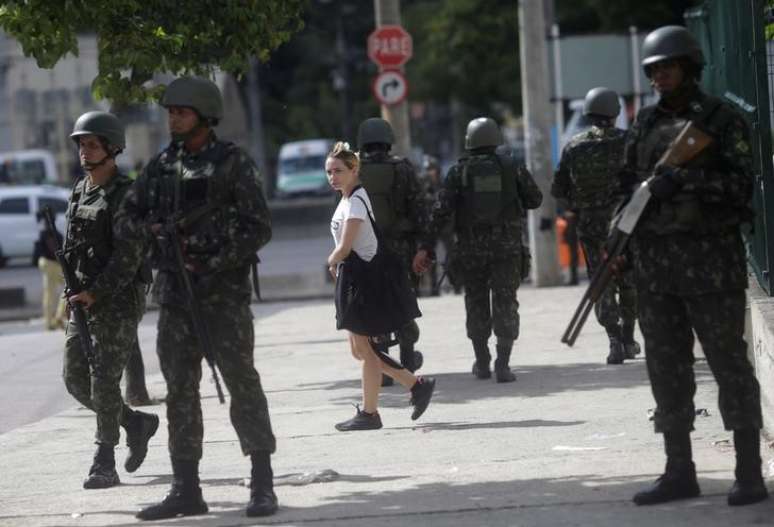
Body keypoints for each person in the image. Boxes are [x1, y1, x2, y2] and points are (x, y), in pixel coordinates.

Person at [620, 26, 768, 506]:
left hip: (710, 267)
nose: (660, 76)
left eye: (668, 67)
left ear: (689, 67)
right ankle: (678, 470)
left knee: (729, 365)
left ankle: (749, 471)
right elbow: (627, 187)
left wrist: (685, 181)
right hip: (656, 270)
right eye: (653, 70)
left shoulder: (721, 120)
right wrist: (618, 239)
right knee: (666, 370)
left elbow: (742, 187)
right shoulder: (643, 124)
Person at [122, 76, 278, 520]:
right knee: (180, 392)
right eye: (170, 112)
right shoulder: (160, 166)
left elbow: (258, 227)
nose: (173, 119)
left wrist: (211, 258)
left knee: (242, 384)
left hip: (222, 297)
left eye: (182, 112)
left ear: (205, 116)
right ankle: (185, 488)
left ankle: (262, 483)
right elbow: (127, 216)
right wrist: (153, 232)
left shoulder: (232, 163)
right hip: (175, 298)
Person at [62, 110, 159, 489]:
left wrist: (96, 292)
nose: (84, 151)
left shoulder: (127, 195)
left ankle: (104, 460)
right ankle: (135, 422)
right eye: (81, 145)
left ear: (112, 148)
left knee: (103, 379)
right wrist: (72, 291)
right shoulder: (79, 190)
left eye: (92, 144)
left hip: (118, 298)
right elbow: (73, 247)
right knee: (74, 379)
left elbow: (128, 258)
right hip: (83, 298)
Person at [413, 117, 542, 383]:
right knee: (505, 301)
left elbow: (440, 212)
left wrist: (426, 246)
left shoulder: (458, 172)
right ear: (496, 139)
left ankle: (482, 362)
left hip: (470, 250)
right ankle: (503, 365)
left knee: (476, 302)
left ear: (469, 141)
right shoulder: (512, 167)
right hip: (506, 249)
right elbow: (535, 199)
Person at [326, 141, 436, 431]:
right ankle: (416, 386)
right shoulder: (346, 199)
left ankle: (371, 413)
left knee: (366, 351)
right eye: (329, 172)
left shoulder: (356, 200)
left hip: (365, 282)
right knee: (360, 351)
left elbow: (345, 246)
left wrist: (331, 261)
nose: (333, 177)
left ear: (354, 170)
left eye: (338, 171)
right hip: (354, 278)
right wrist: (338, 264)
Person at [551, 86, 640, 365]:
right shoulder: (629, 142)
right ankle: (628, 337)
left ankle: (613, 340)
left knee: (600, 281)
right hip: (625, 224)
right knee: (628, 279)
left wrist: (578, 206)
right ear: (615, 112)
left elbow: (558, 189)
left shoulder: (574, 146)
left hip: (591, 227)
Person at [356, 118, 426, 382]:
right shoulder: (403, 169)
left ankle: (384, 369)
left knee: (375, 306)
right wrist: (424, 246)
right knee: (402, 303)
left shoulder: (353, 172)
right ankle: (407, 362)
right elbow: (420, 210)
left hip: (366, 252)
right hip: (400, 250)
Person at [419, 155, 459, 296]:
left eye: (432, 169)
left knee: (452, 256)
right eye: (427, 169)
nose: (429, 172)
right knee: (430, 256)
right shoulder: (424, 186)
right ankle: (434, 288)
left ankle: (456, 284)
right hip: (432, 227)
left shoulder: (444, 184)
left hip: (446, 226)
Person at [35, 210, 66, 330]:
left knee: (49, 293)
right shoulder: (58, 235)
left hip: (46, 263)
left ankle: (49, 322)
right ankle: (58, 316)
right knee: (67, 288)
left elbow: (40, 251)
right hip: (54, 264)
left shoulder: (42, 234)